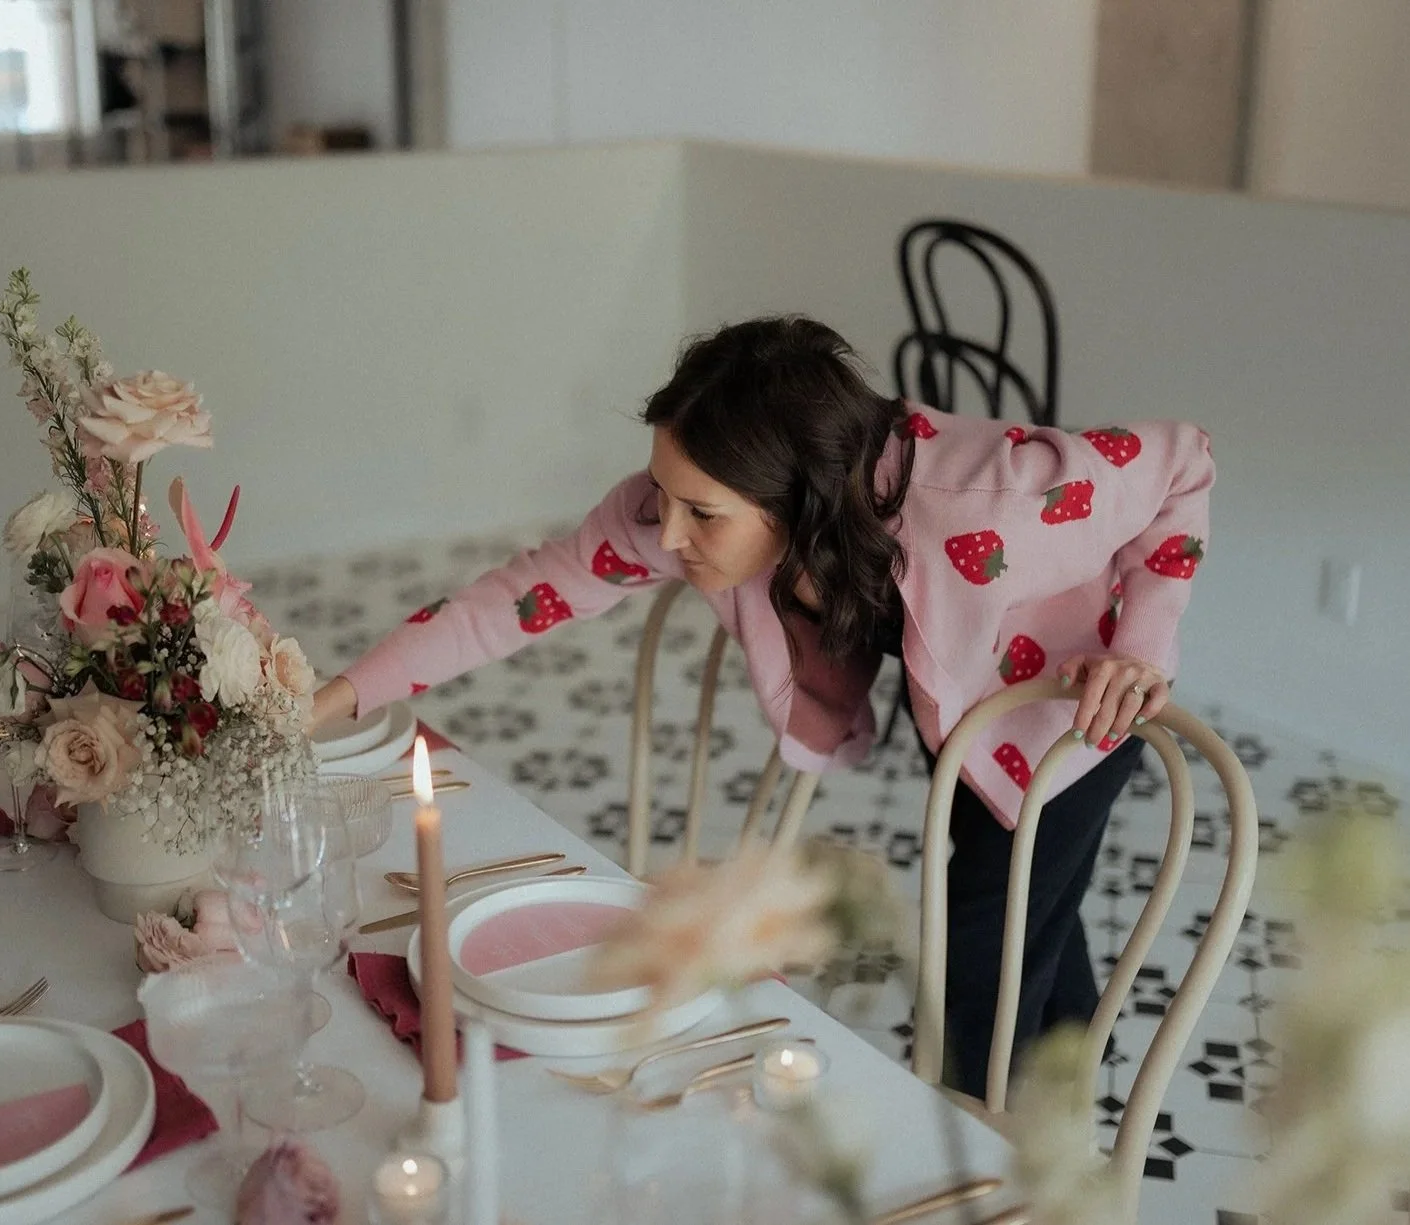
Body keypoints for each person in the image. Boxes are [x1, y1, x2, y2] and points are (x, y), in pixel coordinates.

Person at [310, 316, 1212, 1094]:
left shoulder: (999, 501)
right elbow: (515, 597)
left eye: (701, 515)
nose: (666, 535)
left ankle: (996, 1165)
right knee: (1025, 925)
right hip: (971, 710)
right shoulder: (711, 502)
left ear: (802, 501)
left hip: (1069, 713)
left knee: (981, 946)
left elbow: (1183, 462)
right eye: (662, 497)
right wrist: (342, 694)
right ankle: (1065, 1113)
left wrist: (1140, 648)